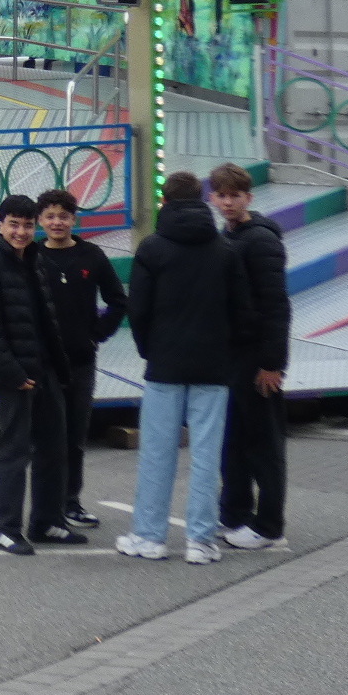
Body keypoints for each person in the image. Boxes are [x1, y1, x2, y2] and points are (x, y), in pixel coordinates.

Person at [120, 171, 254, 564]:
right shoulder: (225, 250)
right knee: (207, 456)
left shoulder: (152, 248)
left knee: (157, 454)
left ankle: (149, 537)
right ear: (203, 199)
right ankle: (200, 540)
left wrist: (150, 350)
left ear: (165, 201)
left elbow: (138, 309)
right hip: (213, 367)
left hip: (165, 364)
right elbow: (242, 312)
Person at [0, 193, 77, 555]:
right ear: (0, 225)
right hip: (14, 376)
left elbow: (46, 320)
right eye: (13, 224)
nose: (21, 232)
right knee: (14, 451)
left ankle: (47, 521)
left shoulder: (34, 261)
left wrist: (58, 367)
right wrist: (13, 374)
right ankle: (6, 529)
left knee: (53, 446)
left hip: (43, 370)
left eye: (28, 225)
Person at [34, 186, 128, 528]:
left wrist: (96, 335)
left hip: (81, 362)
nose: (57, 222)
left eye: (63, 216)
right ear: (40, 221)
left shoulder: (92, 255)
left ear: (74, 219)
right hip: (44, 364)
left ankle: (70, 502)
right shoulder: (32, 257)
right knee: (48, 436)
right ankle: (47, 506)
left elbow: (118, 301)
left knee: (75, 436)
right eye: (50, 216)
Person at [210, 162, 291, 552]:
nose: (228, 203)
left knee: (263, 444)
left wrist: (273, 362)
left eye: (235, 196)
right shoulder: (226, 236)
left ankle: (269, 525)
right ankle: (235, 514)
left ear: (248, 197)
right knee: (234, 439)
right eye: (221, 195)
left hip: (257, 357)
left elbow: (276, 305)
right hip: (231, 355)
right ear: (212, 198)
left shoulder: (260, 240)